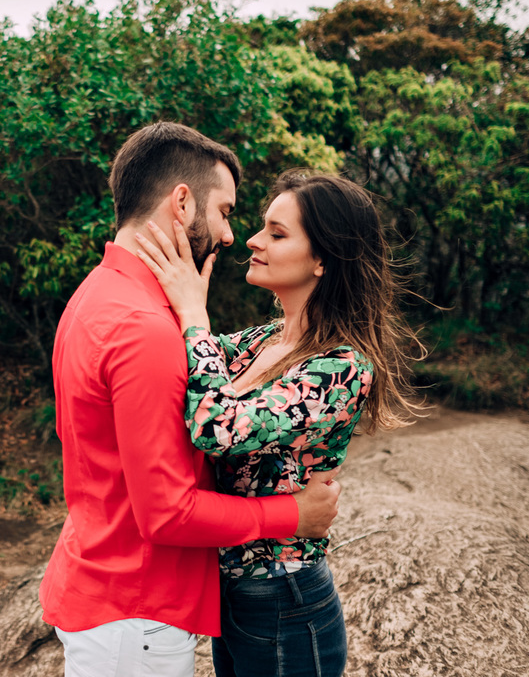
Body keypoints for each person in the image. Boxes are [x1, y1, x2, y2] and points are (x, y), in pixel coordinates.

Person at [39, 123, 341, 677]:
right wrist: (294, 512)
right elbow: (168, 513)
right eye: (225, 211)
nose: (231, 236)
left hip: (109, 588)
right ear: (182, 201)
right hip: (137, 609)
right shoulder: (145, 329)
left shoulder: (96, 294)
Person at [134, 170, 422, 677]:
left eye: (276, 232)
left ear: (322, 260)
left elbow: (215, 428)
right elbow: (180, 369)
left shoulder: (341, 367)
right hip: (232, 592)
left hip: (285, 599)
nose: (252, 239)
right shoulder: (265, 341)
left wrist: (194, 315)